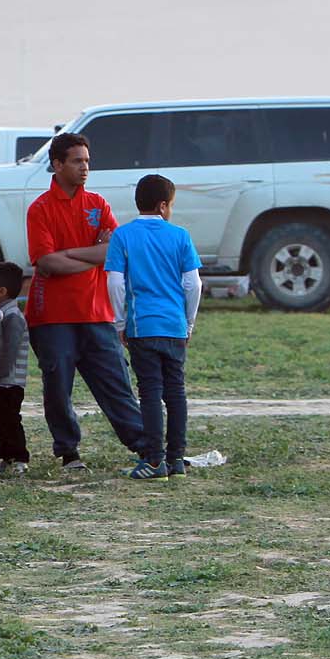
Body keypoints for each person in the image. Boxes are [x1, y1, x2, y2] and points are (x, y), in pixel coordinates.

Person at [26, 133, 147, 471]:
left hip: (96, 311)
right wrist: (92, 256)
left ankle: (143, 444)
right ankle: (68, 452)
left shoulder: (97, 204)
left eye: (87, 161)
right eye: (77, 161)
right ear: (57, 164)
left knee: (115, 382)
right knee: (58, 386)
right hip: (52, 316)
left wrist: (71, 254)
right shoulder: (40, 209)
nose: (84, 168)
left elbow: (114, 250)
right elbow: (47, 263)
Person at [106, 174, 201, 480]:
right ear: (163, 205)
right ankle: (176, 459)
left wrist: (120, 321)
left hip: (141, 326)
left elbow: (116, 283)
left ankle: (154, 459)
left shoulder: (123, 236)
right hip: (174, 326)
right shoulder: (181, 236)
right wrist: (188, 322)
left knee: (149, 392)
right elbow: (193, 284)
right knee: (176, 392)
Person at [0, 261, 31, 476]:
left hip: (9, 382)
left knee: (10, 420)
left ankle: (19, 457)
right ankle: (7, 457)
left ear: (1, 291)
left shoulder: (12, 317)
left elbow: (9, 351)